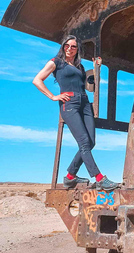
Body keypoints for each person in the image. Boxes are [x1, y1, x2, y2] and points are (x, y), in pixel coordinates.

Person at [33, 35, 120, 191]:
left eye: (73, 47)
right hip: (69, 104)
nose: (69, 49)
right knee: (84, 143)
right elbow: (37, 80)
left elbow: (88, 83)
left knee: (91, 142)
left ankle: (70, 176)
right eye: (67, 45)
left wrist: (96, 68)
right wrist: (53, 96)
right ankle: (99, 178)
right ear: (63, 46)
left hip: (85, 103)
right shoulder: (56, 62)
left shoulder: (79, 66)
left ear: (77, 50)